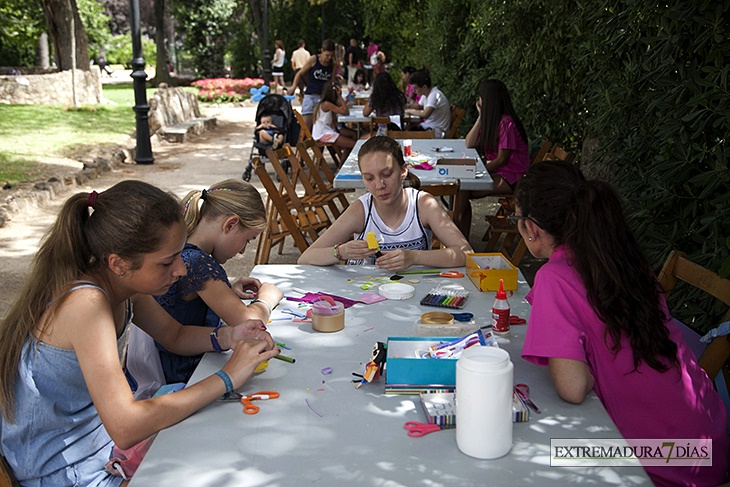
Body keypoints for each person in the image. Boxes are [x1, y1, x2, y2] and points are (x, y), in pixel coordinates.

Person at [0, 181, 280, 486]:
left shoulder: (122, 285)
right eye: (167, 262)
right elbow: (127, 425)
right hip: (59, 470)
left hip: (96, 447)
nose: (182, 270)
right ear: (119, 263)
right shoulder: (87, 304)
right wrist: (228, 377)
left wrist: (228, 336)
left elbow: (174, 334)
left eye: (178, 256)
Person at [515, 161, 729, 487]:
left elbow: (573, 388)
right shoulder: (619, 258)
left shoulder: (554, 278)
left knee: (535, 453)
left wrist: (582, 361)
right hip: (706, 440)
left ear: (531, 228)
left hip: (667, 457)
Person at [151, 180, 285, 385]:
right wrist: (267, 299)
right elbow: (247, 321)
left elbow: (186, 304)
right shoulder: (197, 264)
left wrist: (227, 291)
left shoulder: (186, 253)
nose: (242, 251)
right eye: (247, 240)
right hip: (187, 374)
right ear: (230, 224)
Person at [298, 136, 472, 270]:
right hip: (365, 296)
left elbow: (466, 254)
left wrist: (414, 257)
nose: (379, 185)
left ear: (403, 171)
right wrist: (340, 252)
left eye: (387, 174)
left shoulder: (423, 204)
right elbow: (305, 258)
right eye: (369, 178)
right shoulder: (361, 210)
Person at [456, 79, 530, 238]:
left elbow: (502, 159)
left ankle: (457, 230)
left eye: (481, 97)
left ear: (489, 100)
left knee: (462, 188)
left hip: (513, 176)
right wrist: (481, 117)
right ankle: (460, 236)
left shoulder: (506, 123)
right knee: (461, 188)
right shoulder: (493, 120)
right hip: (499, 171)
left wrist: (477, 171)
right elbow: (469, 143)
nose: (478, 100)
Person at [287, 39, 336, 133]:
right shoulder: (314, 59)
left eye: (331, 55)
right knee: (306, 128)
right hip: (311, 95)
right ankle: (301, 146)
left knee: (323, 128)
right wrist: (293, 86)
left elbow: (331, 81)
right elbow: (300, 73)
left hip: (323, 98)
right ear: (322, 51)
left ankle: (319, 147)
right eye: (327, 55)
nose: (329, 58)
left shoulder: (332, 64)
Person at [311, 82, 357, 160]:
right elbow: (346, 112)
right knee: (354, 144)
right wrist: (339, 96)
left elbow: (342, 107)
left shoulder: (327, 103)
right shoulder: (327, 104)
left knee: (354, 135)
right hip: (323, 134)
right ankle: (343, 166)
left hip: (327, 131)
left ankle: (342, 165)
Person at [405, 69, 451, 139]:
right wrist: (407, 106)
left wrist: (409, 111)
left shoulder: (434, 95)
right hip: (429, 127)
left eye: (416, 88)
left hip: (436, 131)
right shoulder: (426, 94)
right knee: (408, 130)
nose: (414, 91)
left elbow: (425, 114)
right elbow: (419, 106)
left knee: (405, 134)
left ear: (424, 87)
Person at [363, 72, 406, 137]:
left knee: (362, 137)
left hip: (383, 133)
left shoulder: (376, 97)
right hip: (399, 130)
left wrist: (372, 96)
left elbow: (365, 113)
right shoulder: (399, 96)